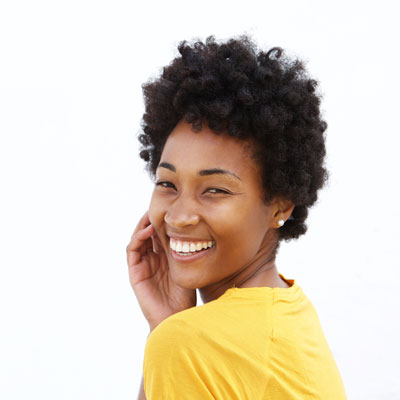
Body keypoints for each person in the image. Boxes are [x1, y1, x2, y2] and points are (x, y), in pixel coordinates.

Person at [126, 34, 347, 399]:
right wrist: (167, 327)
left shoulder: (190, 345)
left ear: (281, 204)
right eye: (167, 183)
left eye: (215, 190)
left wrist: (170, 336)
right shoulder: (289, 310)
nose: (179, 216)